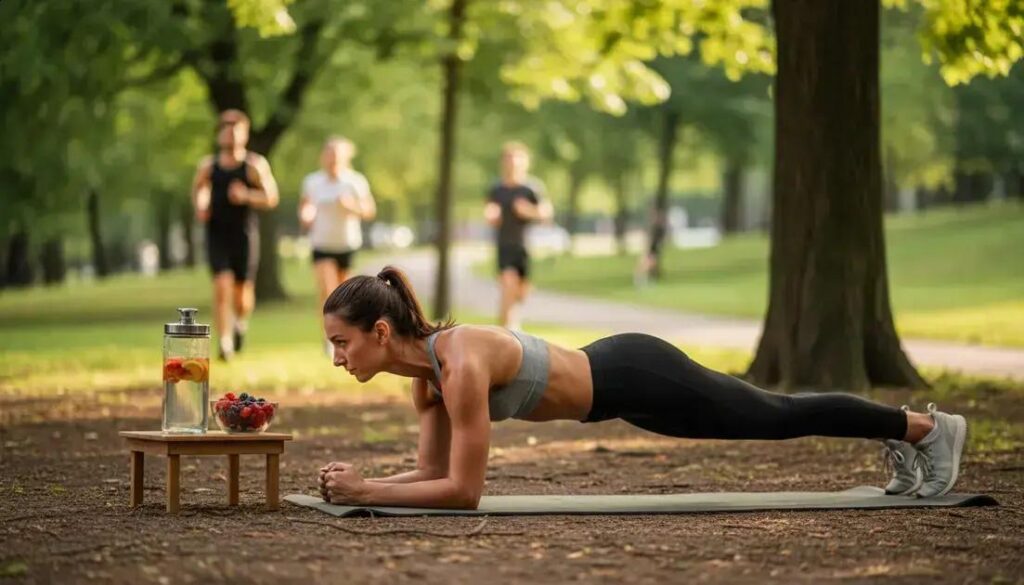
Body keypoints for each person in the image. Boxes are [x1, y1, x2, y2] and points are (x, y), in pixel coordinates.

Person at [317, 265, 967, 509]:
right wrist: (364, 482)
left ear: (379, 330)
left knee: (775, 414)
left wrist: (365, 490)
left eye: (342, 342)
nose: (337, 356)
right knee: (771, 414)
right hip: (623, 396)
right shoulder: (427, 382)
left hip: (635, 370)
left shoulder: (459, 364)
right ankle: (909, 435)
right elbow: (432, 471)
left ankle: (925, 429)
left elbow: (463, 491)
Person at [191, 109, 280, 360]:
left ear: (245, 134)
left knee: (242, 294)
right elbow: (199, 189)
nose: (229, 133)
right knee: (221, 286)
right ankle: (225, 342)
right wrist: (200, 204)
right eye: (225, 128)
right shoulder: (208, 166)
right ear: (219, 134)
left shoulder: (253, 165)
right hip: (216, 233)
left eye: (235, 128)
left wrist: (246, 195)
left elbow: (271, 197)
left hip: (243, 234)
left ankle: (240, 322)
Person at [298, 136, 377, 355]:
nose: (332, 160)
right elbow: (305, 207)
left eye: (336, 156)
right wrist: (306, 215)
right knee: (327, 291)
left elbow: (369, 211)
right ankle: (329, 340)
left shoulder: (355, 181)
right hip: (321, 244)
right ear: (323, 157)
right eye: (328, 155)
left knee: (345, 298)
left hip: (346, 244)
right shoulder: (312, 182)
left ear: (344, 158)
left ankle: (343, 339)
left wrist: (351, 206)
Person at [483, 142, 553, 330]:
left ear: (525, 163)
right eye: (509, 159)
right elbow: (490, 210)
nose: (512, 164)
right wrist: (491, 214)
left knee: (520, 294)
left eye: (516, 160)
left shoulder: (531, 188)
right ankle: (505, 334)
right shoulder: (497, 189)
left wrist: (528, 211)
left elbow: (546, 214)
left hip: (525, 248)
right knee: (508, 287)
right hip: (505, 247)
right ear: (503, 163)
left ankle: (513, 329)